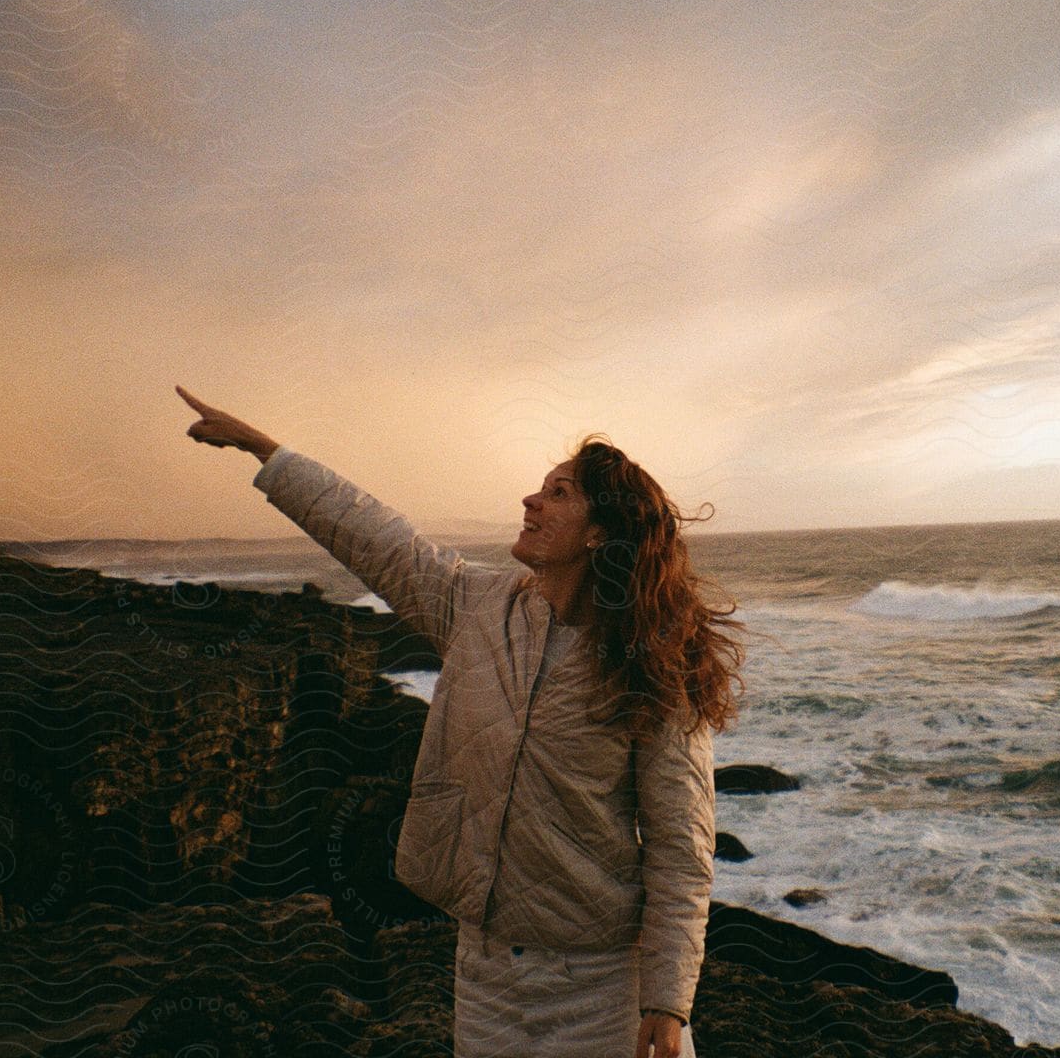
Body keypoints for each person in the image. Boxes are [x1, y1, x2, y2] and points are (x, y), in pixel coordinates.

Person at [176, 386, 744, 1058]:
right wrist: (265, 450)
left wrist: (668, 1000)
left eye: (559, 493)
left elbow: (683, 846)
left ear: (601, 532)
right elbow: (376, 536)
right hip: (482, 971)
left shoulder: (654, 663)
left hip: (597, 986)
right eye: (540, 489)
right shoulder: (480, 608)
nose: (532, 502)